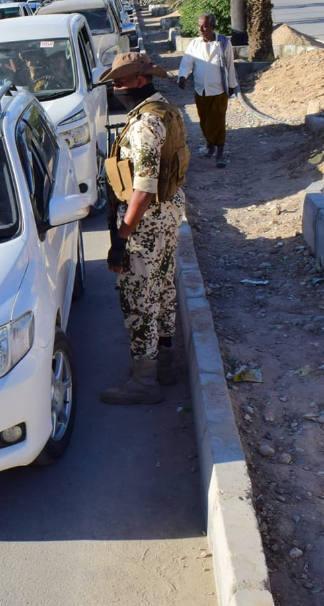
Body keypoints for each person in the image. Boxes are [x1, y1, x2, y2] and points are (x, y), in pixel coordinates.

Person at [98, 53, 189, 405]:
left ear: (140, 80)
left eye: (120, 82)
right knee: (164, 288)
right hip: (168, 213)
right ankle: (165, 364)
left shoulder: (144, 125)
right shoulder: (165, 108)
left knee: (139, 299)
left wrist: (121, 238)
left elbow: (144, 187)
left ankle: (143, 381)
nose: (116, 89)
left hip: (145, 222)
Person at [177, 13, 236, 168]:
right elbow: (186, 63)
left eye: (205, 26)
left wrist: (231, 85)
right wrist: (182, 77)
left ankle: (220, 154)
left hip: (219, 90)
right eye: (199, 26)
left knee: (218, 121)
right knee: (204, 121)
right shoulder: (194, 44)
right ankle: (210, 145)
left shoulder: (223, 43)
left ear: (213, 27)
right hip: (200, 90)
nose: (201, 29)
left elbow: (230, 65)